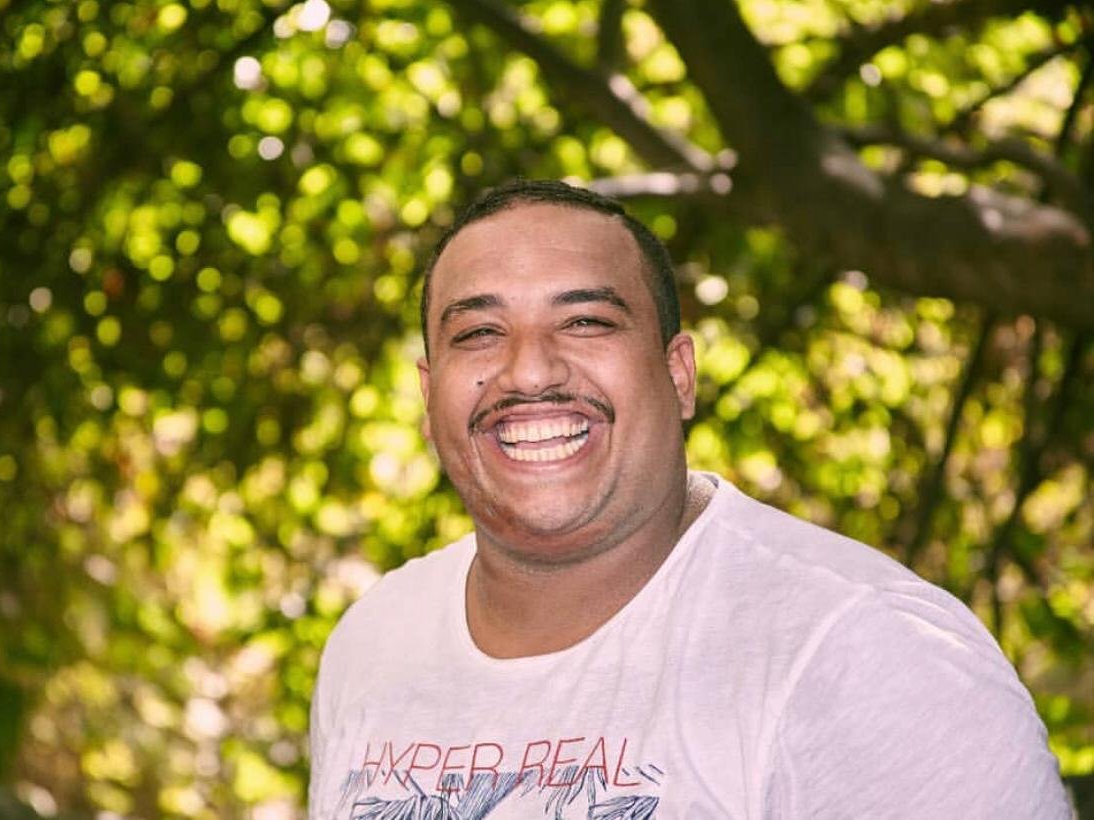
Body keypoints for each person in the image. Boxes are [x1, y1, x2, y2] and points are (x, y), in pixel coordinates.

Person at [307, 179, 1069, 818]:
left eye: (585, 321)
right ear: (427, 394)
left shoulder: (869, 652)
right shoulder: (373, 643)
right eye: (478, 333)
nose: (530, 371)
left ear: (678, 376)